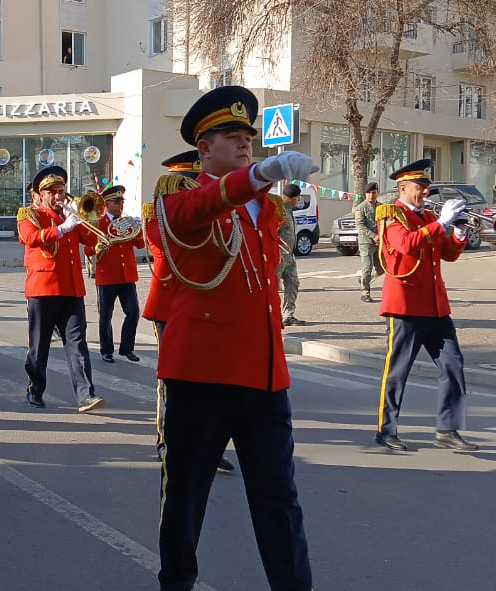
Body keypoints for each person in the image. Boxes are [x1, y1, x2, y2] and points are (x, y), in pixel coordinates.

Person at [155, 85, 318, 590]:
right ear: (204, 149)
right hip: (202, 375)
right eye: (231, 135)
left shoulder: (265, 209)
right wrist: (259, 175)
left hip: (264, 376)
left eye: (248, 135)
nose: (245, 142)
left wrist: (258, 183)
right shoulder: (179, 197)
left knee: (279, 501)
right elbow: (190, 214)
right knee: (185, 501)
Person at [374, 159, 479, 453]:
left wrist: (458, 232)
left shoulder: (428, 217)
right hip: (406, 306)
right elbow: (407, 244)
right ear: (403, 188)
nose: (425, 192)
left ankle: (447, 429)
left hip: (435, 306)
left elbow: (448, 254)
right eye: (420, 187)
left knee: (453, 365)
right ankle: (386, 430)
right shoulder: (391, 215)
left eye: (426, 187)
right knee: (398, 371)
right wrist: (441, 223)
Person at [145, 151, 236, 474]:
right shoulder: (162, 212)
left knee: (214, 378)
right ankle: (167, 440)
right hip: (171, 304)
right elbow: (162, 244)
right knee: (173, 379)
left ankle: (210, 443)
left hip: (211, 305)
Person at [16, 166, 106, 413]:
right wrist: (63, 228)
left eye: (61, 191)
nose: (58, 196)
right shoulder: (29, 214)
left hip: (72, 289)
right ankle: (35, 390)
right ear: (41, 194)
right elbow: (30, 238)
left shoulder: (71, 215)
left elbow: (91, 240)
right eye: (52, 192)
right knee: (39, 345)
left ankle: (86, 395)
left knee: (77, 343)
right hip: (43, 290)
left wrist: (85, 218)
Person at [85, 185, 145, 364]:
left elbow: (140, 245)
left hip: (126, 276)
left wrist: (138, 228)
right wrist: (98, 246)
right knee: (106, 316)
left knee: (133, 311)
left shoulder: (127, 222)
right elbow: (88, 250)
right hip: (107, 276)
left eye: (122, 202)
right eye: (117, 202)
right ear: (107, 204)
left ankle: (127, 348)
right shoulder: (99, 223)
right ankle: (106, 350)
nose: (121, 205)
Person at [278, 183, 303, 326]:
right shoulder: (279, 210)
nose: (298, 201)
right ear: (292, 198)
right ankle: (268, 316)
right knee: (271, 288)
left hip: (289, 256)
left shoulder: (289, 211)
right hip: (278, 257)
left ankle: (288, 315)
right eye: (298, 198)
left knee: (293, 283)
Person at [355, 182, 382, 302]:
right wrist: (373, 236)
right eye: (369, 193)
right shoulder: (361, 207)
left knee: (382, 268)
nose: (371, 195)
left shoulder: (381, 207)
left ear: (377, 193)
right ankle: (365, 292)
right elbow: (360, 226)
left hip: (379, 242)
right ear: (365, 194)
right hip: (366, 241)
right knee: (367, 267)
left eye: (373, 192)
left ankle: (364, 279)